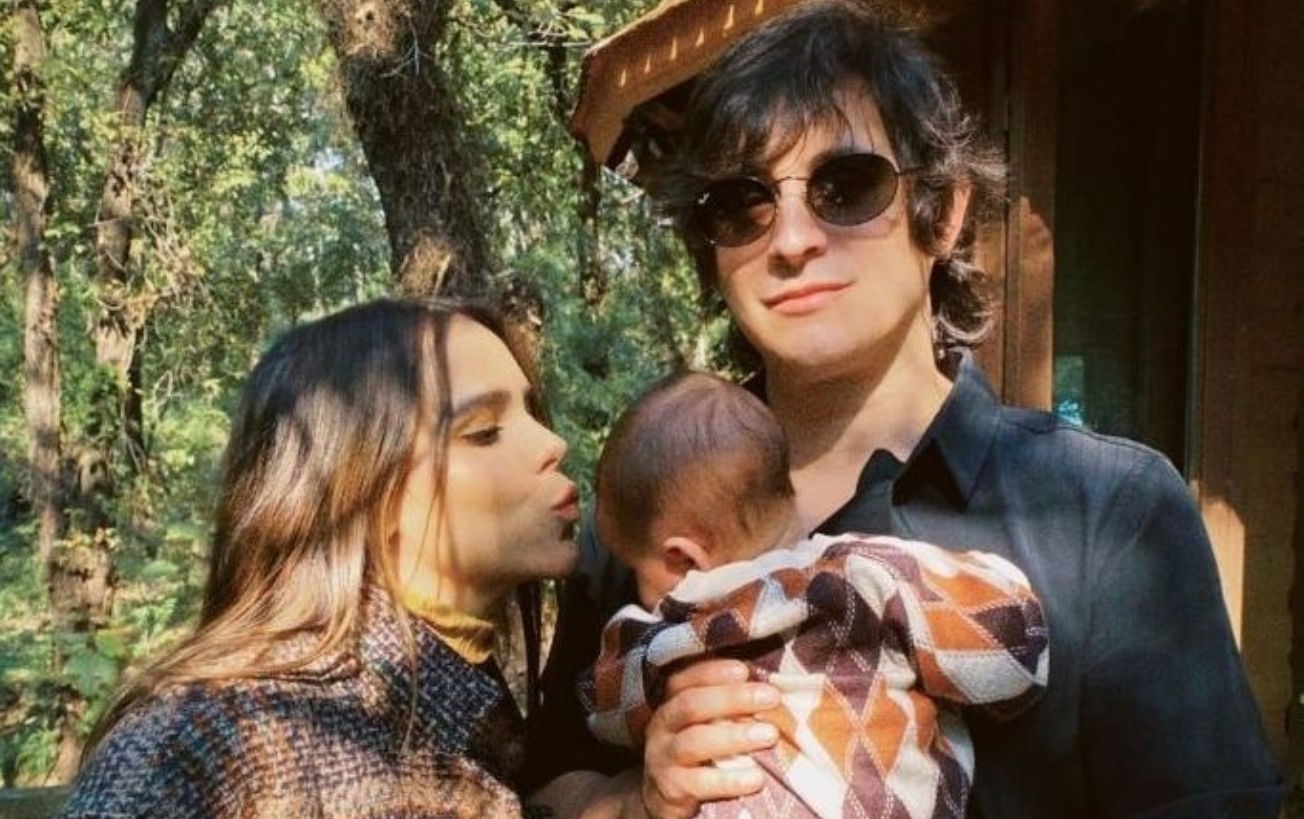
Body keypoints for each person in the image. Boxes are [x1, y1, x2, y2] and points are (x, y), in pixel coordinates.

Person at [526, 2, 1284, 817]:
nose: (791, 239)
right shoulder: (647, 514)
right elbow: (546, 787)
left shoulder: (1111, 515)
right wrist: (635, 797)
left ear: (944, 211)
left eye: (846, 186)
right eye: (742, 202)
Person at [60, 298, 581, 818]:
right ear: (361, 490)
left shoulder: (463, 706)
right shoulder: (202, 740)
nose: (553, 443)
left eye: (531, 412)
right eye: (484, 432)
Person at [582, 371, 1048, 819]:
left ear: (684, 557)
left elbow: (604, 711)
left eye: (635, 569)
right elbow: (1011, 660)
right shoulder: (867, 574)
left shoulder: (674, 632)